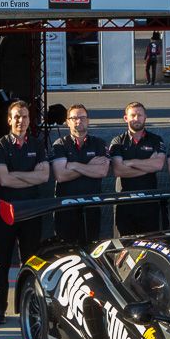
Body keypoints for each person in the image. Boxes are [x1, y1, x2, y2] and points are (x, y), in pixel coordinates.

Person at [0, 101, 49, 325]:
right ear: (9, 120)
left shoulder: (37, 144)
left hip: (31, 211)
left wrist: (16, 175)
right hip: (7, 211)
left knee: (30, 262)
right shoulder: (0, 146)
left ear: (29, 120)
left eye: (24, 116)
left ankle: (31, 306)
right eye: (16, 117)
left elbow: (44, 176)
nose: (20, 121)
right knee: (1, 263)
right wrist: (30, 175)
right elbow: (3, 179)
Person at [51, 104, 110, 245]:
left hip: (91, 206)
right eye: (74, 118)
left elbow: (102, 171)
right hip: (66, 208)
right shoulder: (59, 145)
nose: (79, 121)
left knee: (91, 248)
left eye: (82, 117)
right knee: (65, 250)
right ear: (67, 122)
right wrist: (90, 166)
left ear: (88, 120)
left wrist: (74, 165)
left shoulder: (99, 144)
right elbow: (61, 175)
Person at [110, 102, 166, 236]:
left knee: (150, 243)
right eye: (133, 115)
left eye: (140, 115)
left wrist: (130, 162)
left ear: (145, 117)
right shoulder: (117, 142)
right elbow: (118, 170)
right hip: (124, 203)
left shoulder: (156, 140)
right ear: (126, 118)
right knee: (124, 245)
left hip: (149, 203)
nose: (136, 118)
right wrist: (148, 166)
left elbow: (158, 165)